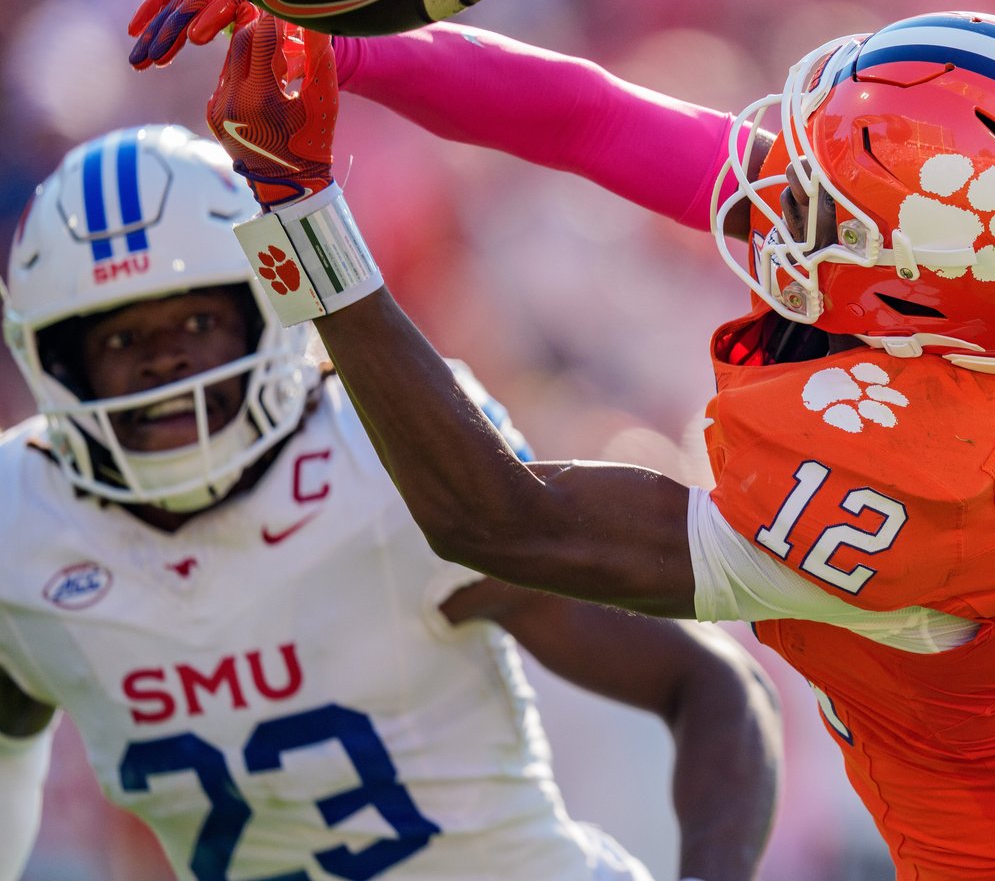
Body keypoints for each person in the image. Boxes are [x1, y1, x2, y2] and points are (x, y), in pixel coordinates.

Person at [130, 0, 995, 880]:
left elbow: (498, 517)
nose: (782, 188)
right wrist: (341, 47)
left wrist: (297, 208)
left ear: (911, 280)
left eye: (833, 197)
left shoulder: (908, 498)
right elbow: (596, 122)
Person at [0, 123, 781, 881]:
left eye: (198, 321)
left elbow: (714, 687)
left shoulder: (372, 457)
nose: (164, 360)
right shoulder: (23, 524)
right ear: (58, 360)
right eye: (120, 341)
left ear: (266, 314)